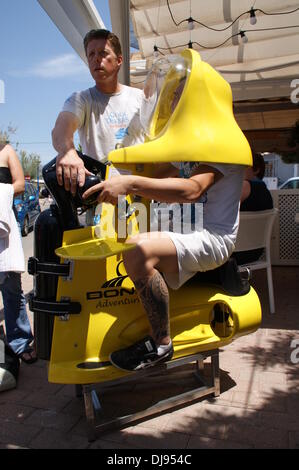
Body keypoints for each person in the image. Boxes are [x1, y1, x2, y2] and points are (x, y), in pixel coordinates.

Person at [51, 29, 144, 196]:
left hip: (139, 196)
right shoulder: (81, 100)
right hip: (100, 197)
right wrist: (67, 151)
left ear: (119, 60)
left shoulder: (141, 98)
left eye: (103, 53)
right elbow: (61, 128)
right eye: (91, 54)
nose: (96, 58)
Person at [0, 142, 37, 364]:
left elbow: (20, 184)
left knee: (11, 286)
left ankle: (21, 341)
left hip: (3, 220)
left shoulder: (6, 150)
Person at [232, 152, 273, 265]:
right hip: (255, 251)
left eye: (242, 167)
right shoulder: (264, 190)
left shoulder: (245, 186)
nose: (236, 170)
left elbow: (221, 211)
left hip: (234, 253)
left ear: (256, 170)